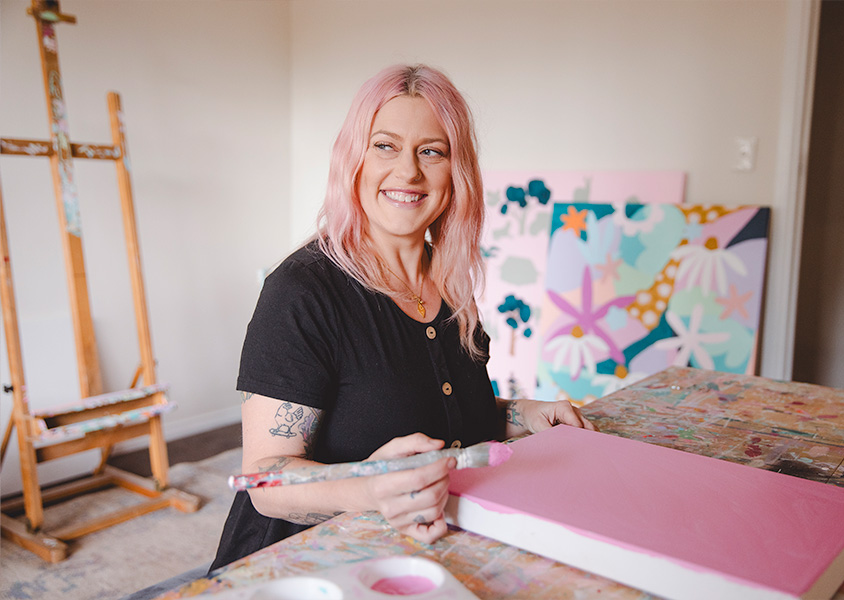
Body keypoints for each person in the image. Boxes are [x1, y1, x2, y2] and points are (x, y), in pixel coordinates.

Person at [209, 64, 596, 571]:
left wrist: (519, 415)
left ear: (455, 170)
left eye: (431, 151)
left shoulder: (451, 281)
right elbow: (265, 480)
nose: (409, 172)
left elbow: (429, 409)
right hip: (298, 566)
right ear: (354, 161)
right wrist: (371, 486)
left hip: (415, 553)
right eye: (385, 146)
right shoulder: (301, 292)